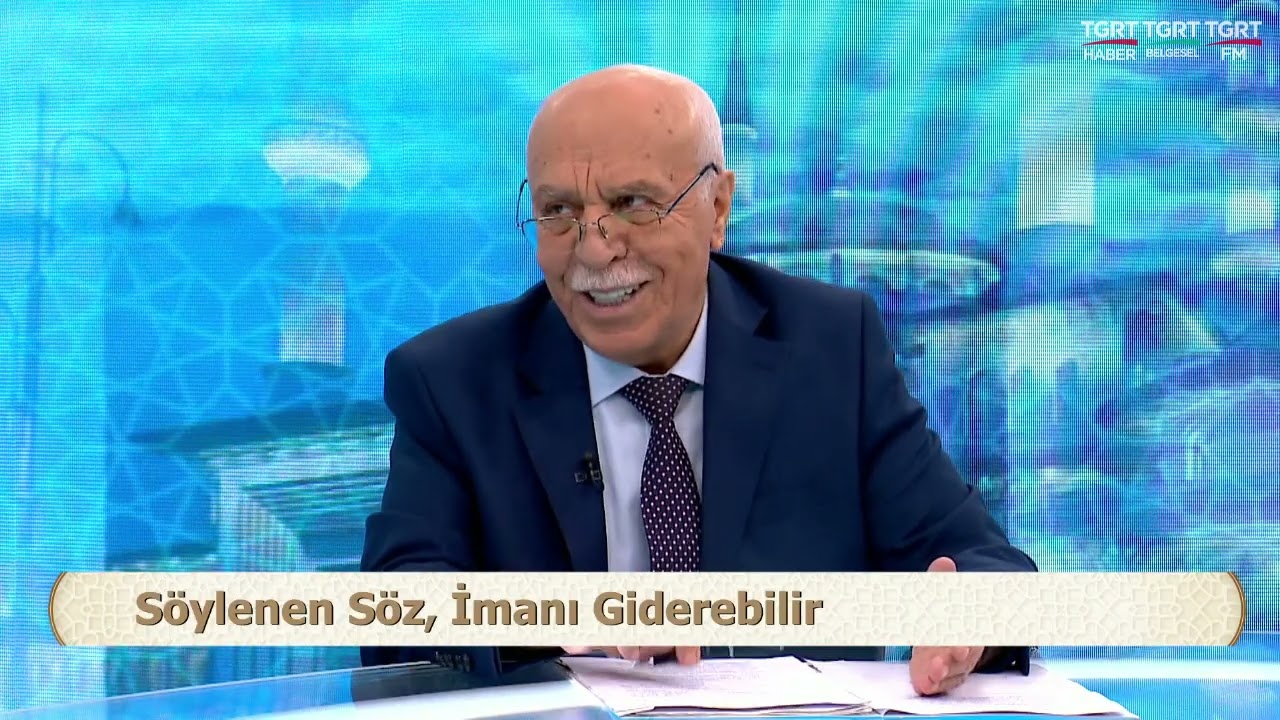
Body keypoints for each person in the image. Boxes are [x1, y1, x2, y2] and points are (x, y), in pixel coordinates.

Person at [361, 64, 1037, 696]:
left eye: (633, 203)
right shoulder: (452, 380)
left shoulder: (831, 348)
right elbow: (392, 616)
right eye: (559, 211)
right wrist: (555, 618)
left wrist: (967, 620)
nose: (593, 249)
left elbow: (985, 566)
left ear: (717, 209)